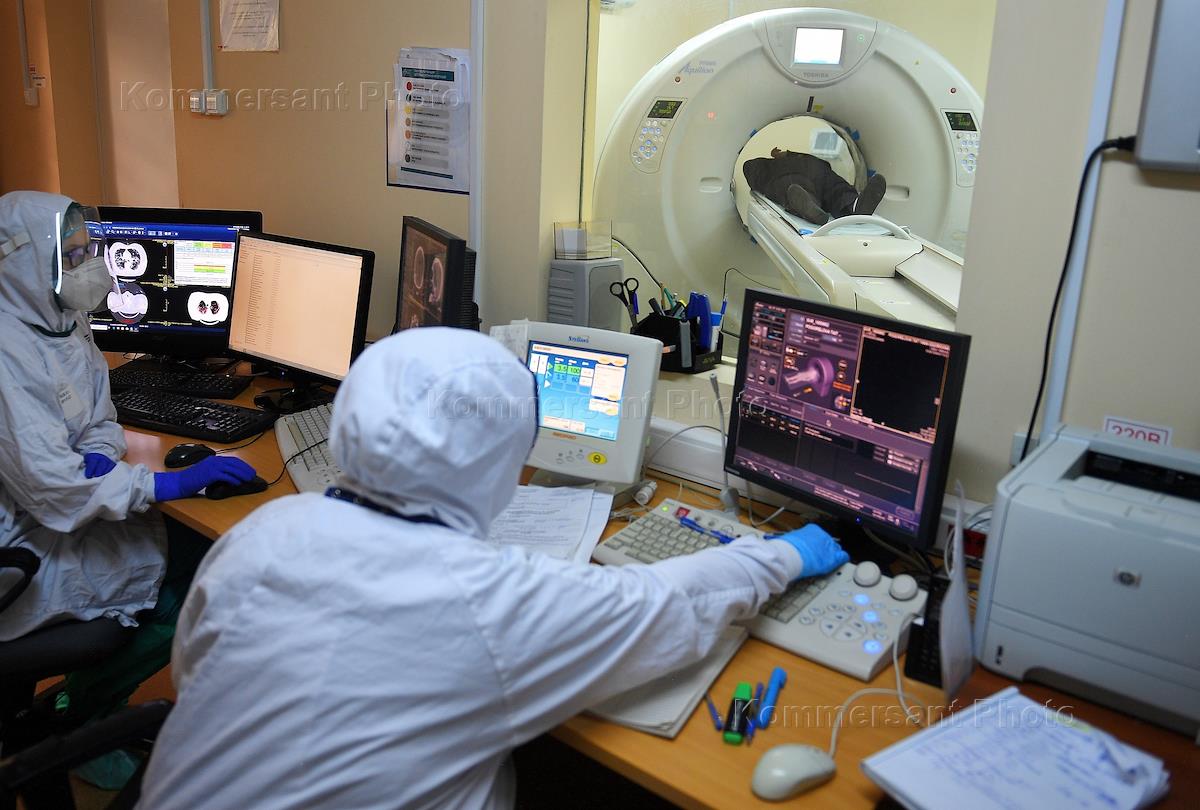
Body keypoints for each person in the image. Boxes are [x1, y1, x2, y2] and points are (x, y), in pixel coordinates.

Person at [136, 327, 849, 809]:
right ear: (498, 459)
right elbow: (669, 605)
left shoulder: (264, 534)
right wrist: (792, 551)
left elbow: (198, 675)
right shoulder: (485, 599)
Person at [0, 191, 257, 783]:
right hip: (25, 549)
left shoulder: (60, 320)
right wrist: (170, 482)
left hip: (58, 511)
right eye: (72, 256)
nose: (90, 266)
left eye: (87, 250)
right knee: (193, 579)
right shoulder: (7, 353)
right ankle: (74, 727)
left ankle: (82, 707)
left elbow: (99, 411)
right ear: (27, 263)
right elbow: (54, 488)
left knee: (197, 551)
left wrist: (99, 450)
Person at [743, 147, 887, 224]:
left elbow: (749, 168)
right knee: (836, 188)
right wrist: (788, 154)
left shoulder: (763, 167)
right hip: (816, 170)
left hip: (786, 177)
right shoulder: (799, 158)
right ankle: (853, 206)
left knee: (790, 190)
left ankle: (812, 208)